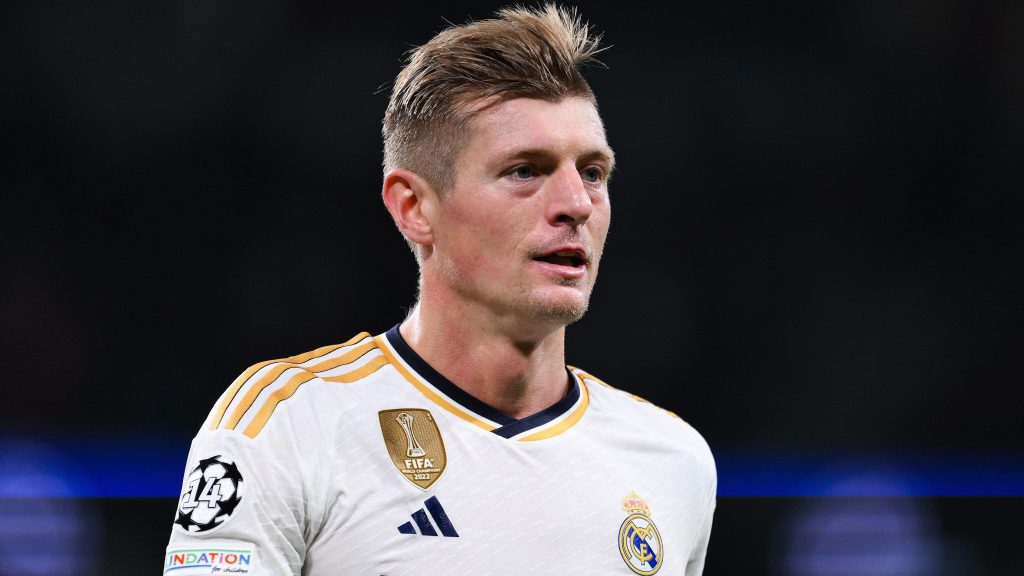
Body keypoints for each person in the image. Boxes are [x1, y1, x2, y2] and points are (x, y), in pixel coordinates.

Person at [165, 4, 715, 575]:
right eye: (525, 170)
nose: (577, 204)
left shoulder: (672, 460)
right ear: (414, 208)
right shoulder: (289, 424)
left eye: (593, 172)